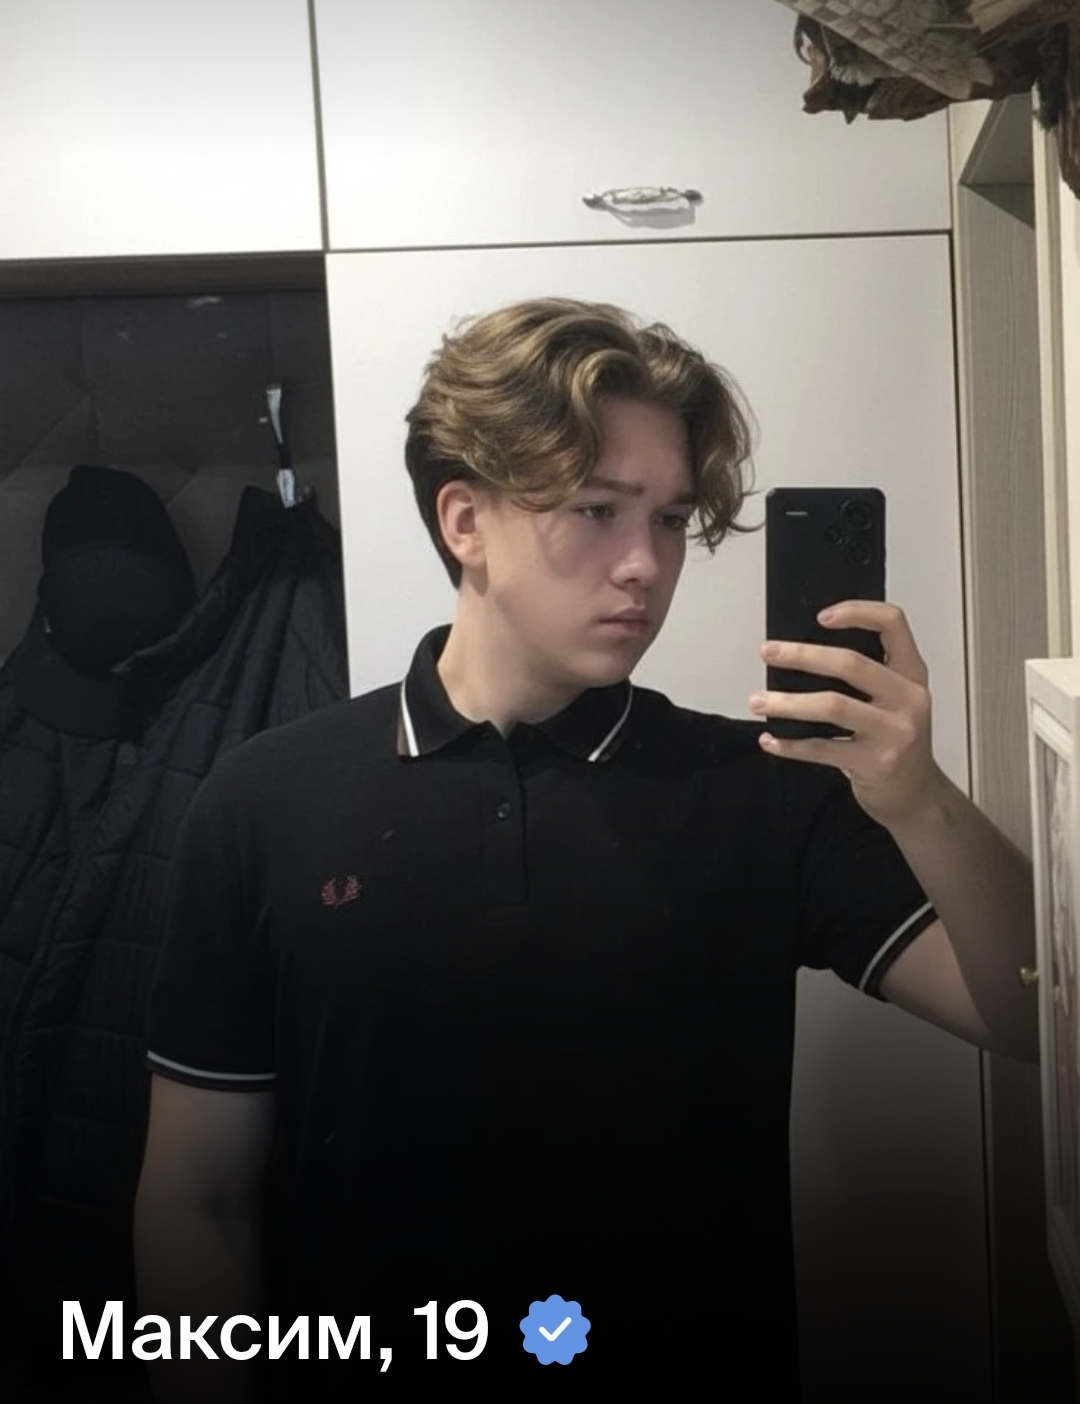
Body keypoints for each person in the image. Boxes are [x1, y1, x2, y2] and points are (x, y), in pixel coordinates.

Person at [134, 298, 1038, 1400]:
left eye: (670, 519)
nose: (645, 564)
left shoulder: (764, 789)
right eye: (598, 510)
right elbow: (196, 1199)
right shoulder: (264, 801)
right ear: (464, 520)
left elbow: (1032, 1017)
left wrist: (919, 799)